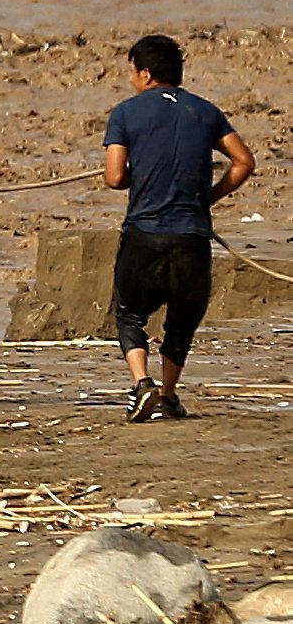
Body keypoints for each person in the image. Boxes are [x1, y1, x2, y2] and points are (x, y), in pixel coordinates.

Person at [104, 34, 255, 423]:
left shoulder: (125, 114)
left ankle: (141, 384)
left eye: (133, 73)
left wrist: (144, 172)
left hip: (144, 235)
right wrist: (207, 197)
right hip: (192, 237)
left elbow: (114, 177)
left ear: (146, 73)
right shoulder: (205, 112)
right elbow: (243, 162)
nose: (132, 81)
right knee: (182, 321)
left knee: (128, 313)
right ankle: (169, 395)